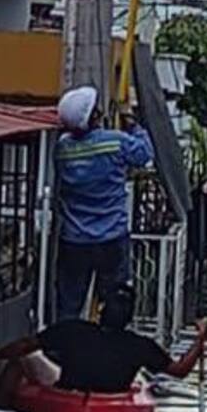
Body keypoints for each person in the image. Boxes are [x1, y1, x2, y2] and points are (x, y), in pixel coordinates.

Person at [0, 284, 207, 395]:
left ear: (101, 311)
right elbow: (180, 370)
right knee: (141, 378)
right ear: (129, 318)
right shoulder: (140, 346)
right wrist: (200, 339)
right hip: (110, 397)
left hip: (69, 395)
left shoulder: (73, 329)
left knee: (25, 357)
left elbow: (26, 345)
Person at [54, 85, 153, 323]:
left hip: (74, 240)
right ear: (95, 116)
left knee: (69, 306)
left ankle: (66, 342)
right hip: (111, 238)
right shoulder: (115, 142)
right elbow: (144, 153)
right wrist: (132, 123)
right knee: (115, 304)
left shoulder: (62, 149)